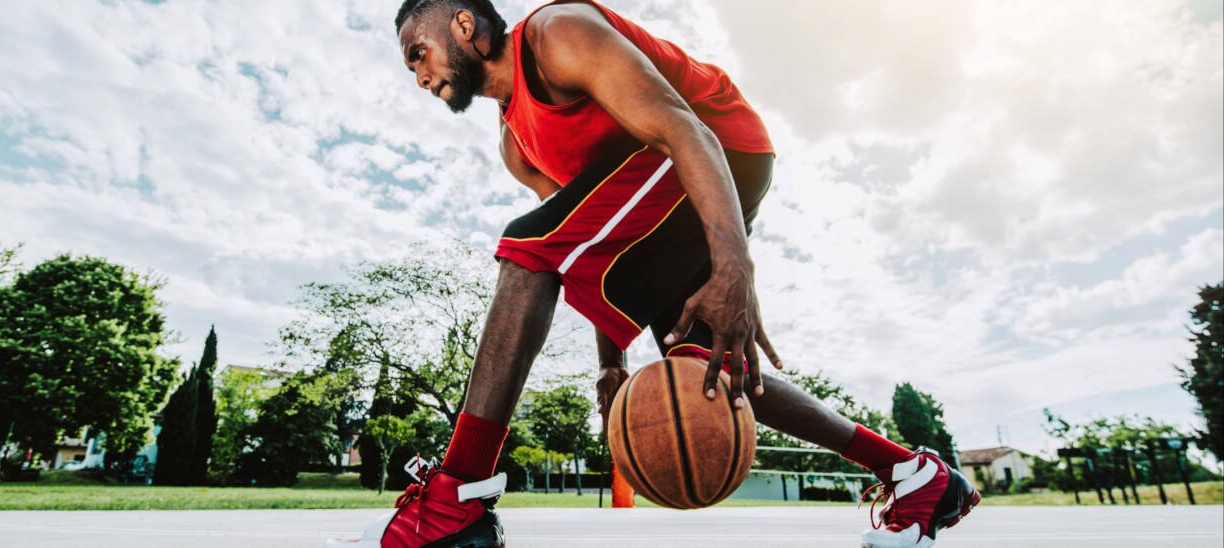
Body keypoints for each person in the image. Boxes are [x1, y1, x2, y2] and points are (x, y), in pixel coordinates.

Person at [325, 1, 979, 547]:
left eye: (419, 51)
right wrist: (611, 364)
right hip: (663, 189)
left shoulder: (557, 37)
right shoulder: (516, 147)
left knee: (525, 246)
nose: (418, 74)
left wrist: (734, 273)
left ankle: (453, 501)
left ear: (464, 26)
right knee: (704, 367)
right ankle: (915, 475)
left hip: (720, 145)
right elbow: (592, 254)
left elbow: (684, 130)